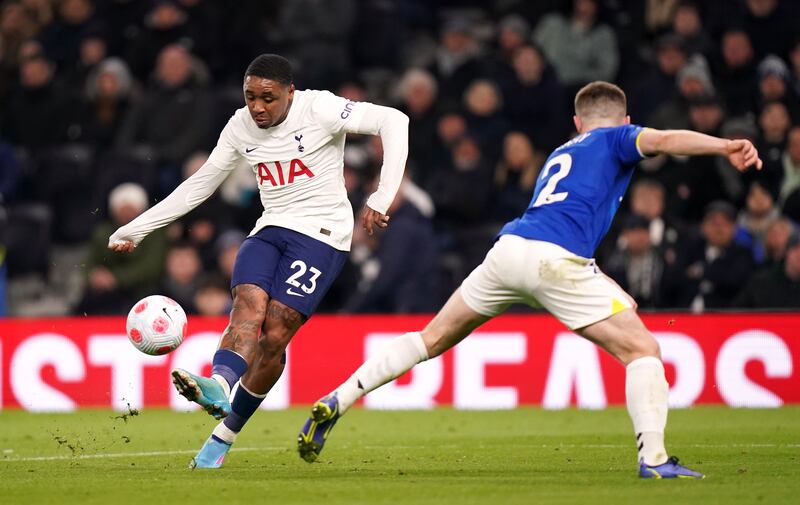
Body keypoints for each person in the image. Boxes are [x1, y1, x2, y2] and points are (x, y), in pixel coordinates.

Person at [297, 81, 763, 479]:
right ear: (623, 120)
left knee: (430, 338)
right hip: (554, 261)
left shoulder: (563, 152)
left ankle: (338, 398)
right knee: (643, 351)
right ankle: (655, 459)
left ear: (577, 122)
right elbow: (664, 141)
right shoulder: (615, 139)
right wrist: (725, 145)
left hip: (508, 251)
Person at [108, 54, 409, 468]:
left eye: (267, 97)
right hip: (270, 229)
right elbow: (200, 184)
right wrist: (137, 228)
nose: (258, 107)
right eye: (250, 97)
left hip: (322, 236)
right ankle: (217, 385)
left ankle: (223, 436)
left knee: (276, 332)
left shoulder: (318, 108)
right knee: (248, 307)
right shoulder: (239, 125)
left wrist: (381, 194)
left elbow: (394, 120)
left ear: (290, 92)